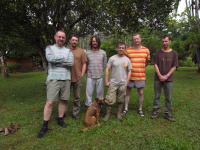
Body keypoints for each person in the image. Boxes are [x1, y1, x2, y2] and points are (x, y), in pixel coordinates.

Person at [37, 30, 74, 138]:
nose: (61, 39)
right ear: (55, 37)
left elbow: (71, 62)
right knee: (50, 102)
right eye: (59, 37)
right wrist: (64, 59)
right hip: (53, 78)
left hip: (66, 78)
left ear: (65, 38)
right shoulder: (49, 48)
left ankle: (60, 119)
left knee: (63, 100)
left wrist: (56, 61)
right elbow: (49, 58)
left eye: (63, 37)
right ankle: (45, 125)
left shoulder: (69, 51)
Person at [121, 33, 150, 117]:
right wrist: (126, 70)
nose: (136, 40)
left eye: (137, 39)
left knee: (141, 93)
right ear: (132, 40)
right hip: (129, 76)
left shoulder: (146, 50)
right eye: (134, 39)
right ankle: (125, 108)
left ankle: (140, 109)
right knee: (127, 93)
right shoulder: (128, 50)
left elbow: (147, 61)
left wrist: (140, 67)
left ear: (140, 39)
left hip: (140, 76)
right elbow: (124, 62)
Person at [150, 35, 178, 122]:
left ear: (169, 41)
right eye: (162, 41)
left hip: (169, 79)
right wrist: (160, 75)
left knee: (168, 97)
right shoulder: (157, 52)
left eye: (166, 41)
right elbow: (155, 64)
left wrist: (166, 76)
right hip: (157, 78)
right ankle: (155, 111)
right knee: (157, 96)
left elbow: (174, 66)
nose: (164, 43)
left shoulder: (174, 53)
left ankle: (168, 113)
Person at [103, 42, 132, 122]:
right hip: (113, 83)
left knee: (121, 99)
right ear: (117, 48)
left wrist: (127, 81)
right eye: (119, 47)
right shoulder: (112, 58)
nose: (121, 49)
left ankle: (118, 114)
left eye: (123, 48)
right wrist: (106, 81)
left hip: (123, 83)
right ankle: (107, 115)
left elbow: (129, 71)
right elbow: (107, 69)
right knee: (109, 99)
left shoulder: (127, 59)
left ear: (125, 49)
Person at [65, 35, 87, 121]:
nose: (74, 42)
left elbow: (84, 63)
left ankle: (75, 114)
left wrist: (82, 74)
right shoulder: (65, 50)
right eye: (73, 40)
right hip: (66, 77)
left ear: (77, 42)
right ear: (70, 41)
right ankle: (63, 113)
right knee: (64, 96)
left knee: (76, 97)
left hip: (78, 77)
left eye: (76, 40)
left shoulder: (81, 51)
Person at [85, 36, 107, 107]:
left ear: (98, 42)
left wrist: (100, 71)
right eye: (93, 41)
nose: (95, 43)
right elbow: (86, 64)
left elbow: (104, 64)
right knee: (88, 93)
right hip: (90, 76)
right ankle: (89, 107)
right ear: (91, 43)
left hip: (99, 76)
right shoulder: (87, 53)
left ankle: (99, 107)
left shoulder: (103, 53)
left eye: (96, 41)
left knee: (100, 94)